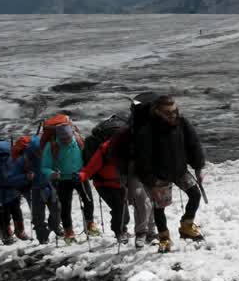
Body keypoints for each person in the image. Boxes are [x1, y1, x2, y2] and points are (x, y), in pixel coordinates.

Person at [131, 95, 205, 253]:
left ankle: (186, 225)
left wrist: (198, 167)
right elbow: (142, 161)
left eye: (175, 111)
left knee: (195, 195)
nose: (173, 115)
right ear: (157, 112)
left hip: (180, 171)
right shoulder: (147, 131)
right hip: (159, 178)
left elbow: (194, 145)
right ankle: (164, 238)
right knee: (159, 208)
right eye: (168, 112)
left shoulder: (182, 123)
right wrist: (151, 184)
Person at [40, 115, 99, 243]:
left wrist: (87, 171)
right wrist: (51, 173)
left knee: (88, 200)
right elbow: (44, 167)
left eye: (68, 138)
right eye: (63, 139)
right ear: (58, 137)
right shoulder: (52, 146)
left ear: (72, 134)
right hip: (62, 179)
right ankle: (68, 232)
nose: (66, 140)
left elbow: (86, 157)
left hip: (79, 175)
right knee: (66, 206)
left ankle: (90, 225)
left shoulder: (78, 141)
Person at [79, 127, 135, 244]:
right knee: (119, 208)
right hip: (104, 185)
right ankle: (119, 232)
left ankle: (122, 229)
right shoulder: (104, 148)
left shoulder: (129, 147)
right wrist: (82, 175)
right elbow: (92, 166)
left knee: (124, 212)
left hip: (120, 184)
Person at [18, 135, 61, 245]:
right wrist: (26, 177)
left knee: (55, 210)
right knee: (40, 215)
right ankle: (43, 236)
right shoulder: (26, 157)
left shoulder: (46, 151)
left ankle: (53, 227)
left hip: (47, 186)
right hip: (37, 188)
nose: (40, 153)